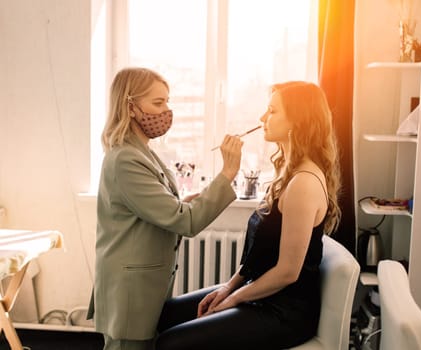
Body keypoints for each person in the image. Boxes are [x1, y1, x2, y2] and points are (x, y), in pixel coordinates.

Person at [155, 81, 342, 350]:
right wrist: (228, 287)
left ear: (297, 121)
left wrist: (234, 299)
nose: (262, 118)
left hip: (284, 310)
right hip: (263, 293)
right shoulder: (287, 174)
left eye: (272, 111)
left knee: (170, 344)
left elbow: (288, 272)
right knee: (166, 316)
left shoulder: (304, 182)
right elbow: (261, 255)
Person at [86, 67, 243, 350]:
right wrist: (227, 173)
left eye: (167, 102)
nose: (166, 111)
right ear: (130, 106)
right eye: (158, 103)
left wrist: (185, 202)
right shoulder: (126, 160)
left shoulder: (142, 152)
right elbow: (187, 223)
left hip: (143, 287)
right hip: (130, 292)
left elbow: (162, 208)